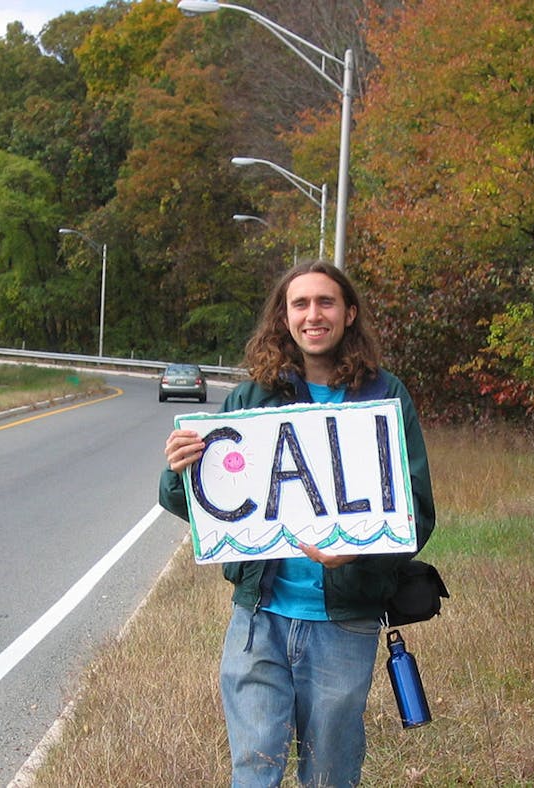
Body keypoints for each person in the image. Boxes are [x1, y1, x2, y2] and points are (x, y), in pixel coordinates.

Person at [160, 260, 437, 787]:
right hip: (258, 620)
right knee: (254, 771)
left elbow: (417, 511)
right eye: (300, 304)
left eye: (326, 302)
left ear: (349, 313)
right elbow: (194, 504)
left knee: (330, 774)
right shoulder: (251, 400)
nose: (313, 314)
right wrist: (179, 471)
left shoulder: (384, 397)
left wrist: (358, 549)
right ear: (284, 318)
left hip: (344, 621)